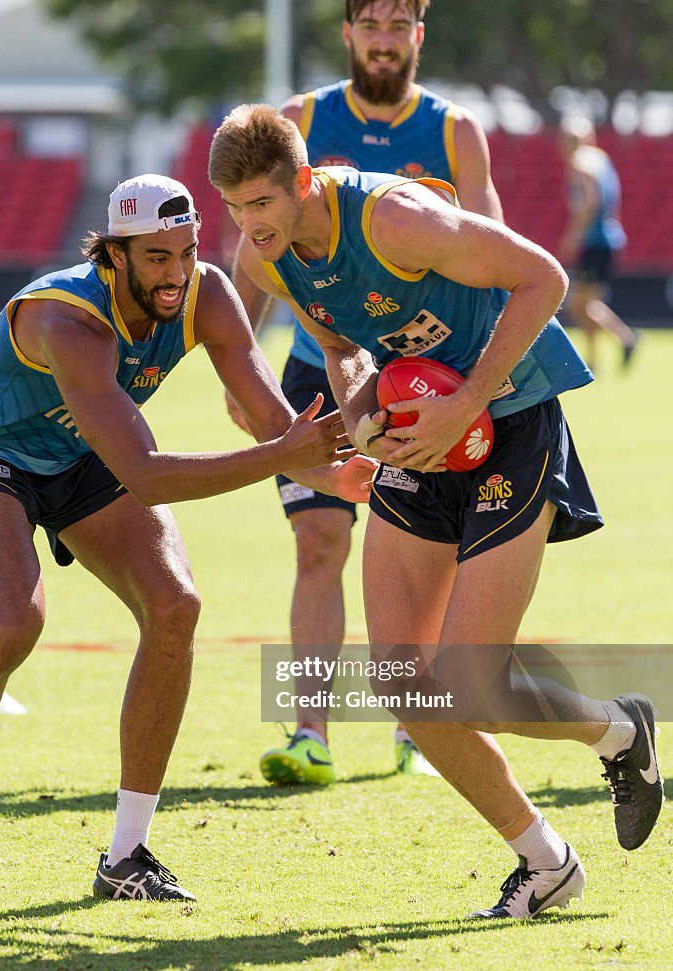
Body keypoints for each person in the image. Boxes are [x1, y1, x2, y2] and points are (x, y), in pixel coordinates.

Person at [208, 106, 663, 919]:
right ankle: (546, 859)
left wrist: (470, 404)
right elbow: (343, 346)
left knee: (470, 683)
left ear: (303, 182)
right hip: (420, 431)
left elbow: (545, 280)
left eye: (263, 206)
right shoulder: (270, 260)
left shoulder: (395, 220)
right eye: (236, 209)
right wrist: (361, 422)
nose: (249, 228)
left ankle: (621, 728)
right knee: (403, 685)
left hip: (512, 418)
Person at [0, 173, 375, 902]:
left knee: (176, 607)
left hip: (84, 457)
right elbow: (148, 474)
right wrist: (285, 458)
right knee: (15, 624)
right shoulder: (68, 323)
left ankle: (127, 857)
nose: (177, 273)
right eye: (155, 257)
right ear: (113, 256)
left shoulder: (209, 293)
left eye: (186, 251)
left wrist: (329, 470)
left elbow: (275, 419)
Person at [229, 0, 504, 786]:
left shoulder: (456, 131)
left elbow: (492, 248)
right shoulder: (298, 118)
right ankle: (309, 728)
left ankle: (419, 726)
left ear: (418, 36)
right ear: (348, 34)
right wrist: (237, 368)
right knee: (319, 541)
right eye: (369, 27)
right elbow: (249, 257)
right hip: (323, 365)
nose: (382, 43)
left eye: (397, 28)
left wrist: (479, 385)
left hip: (426, 375)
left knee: (426, 553)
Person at [558, 114, 638, 371]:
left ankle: (625, 337)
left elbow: (588, 203)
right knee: (586, 303)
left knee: (579, 304)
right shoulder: (601, 159)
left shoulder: (580, 164)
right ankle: (594, 359)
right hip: (608, 238)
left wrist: (574, 234)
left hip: (595, 241)